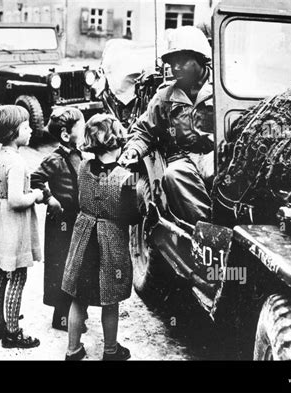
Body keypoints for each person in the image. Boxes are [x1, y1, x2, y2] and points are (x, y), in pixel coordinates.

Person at [61, 114, 139, 361]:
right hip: (109, 245)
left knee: (78, 298)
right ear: (117, 142)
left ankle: (72, 350)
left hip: (84, 242)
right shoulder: (126, 178)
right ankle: (111, 350)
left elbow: (79, 198)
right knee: (110, 299)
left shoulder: (83, 167)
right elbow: (133, 216)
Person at [119, 26, 214, 225]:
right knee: (174, 175)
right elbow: (144, 130)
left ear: (200, 59)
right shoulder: (165, 97)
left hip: (217, 153)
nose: (175, 68)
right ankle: (205, 228)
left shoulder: (222, 88)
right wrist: (134, 150)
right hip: (183, 158)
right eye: (172, 63)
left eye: (182, 61)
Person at [0, 105, 43, 349]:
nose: (30, 130)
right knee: (18, 274)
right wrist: (36, 195)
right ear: (12, 132)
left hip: (0, 221)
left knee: (0, 273)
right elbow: (17, 201)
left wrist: (5, 192)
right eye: (26, 127)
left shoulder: (1, 156)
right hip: (14, 225)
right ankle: (13, 332)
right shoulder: (16, 162)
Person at [30, 107, 87, 332]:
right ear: (65, 135)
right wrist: (50, 198)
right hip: (60, 221)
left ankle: (74, 312)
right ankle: (61, 316)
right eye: (80, 129)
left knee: (76, 264)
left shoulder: (80, 154)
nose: (83, 132)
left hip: (77, 219)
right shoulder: (54, 159)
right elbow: (35, 179)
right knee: (61, 265)